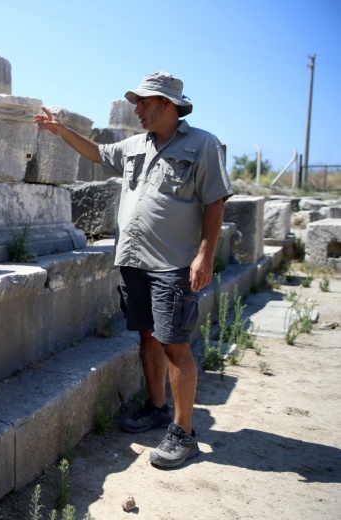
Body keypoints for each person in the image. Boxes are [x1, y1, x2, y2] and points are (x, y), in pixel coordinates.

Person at [34, 72, 233, 468]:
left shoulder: (202, 144)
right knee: (147, 335)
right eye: (136, 103)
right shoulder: (134, 145)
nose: (136, 109)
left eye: (143, 102)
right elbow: (96, 153)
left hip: (173, 263)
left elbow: (215, 201)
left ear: (167, 104)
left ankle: (184, 432)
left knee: (174, 342)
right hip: (133, 260)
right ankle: (158, 407)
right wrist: (59, 130)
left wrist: (205, 256)